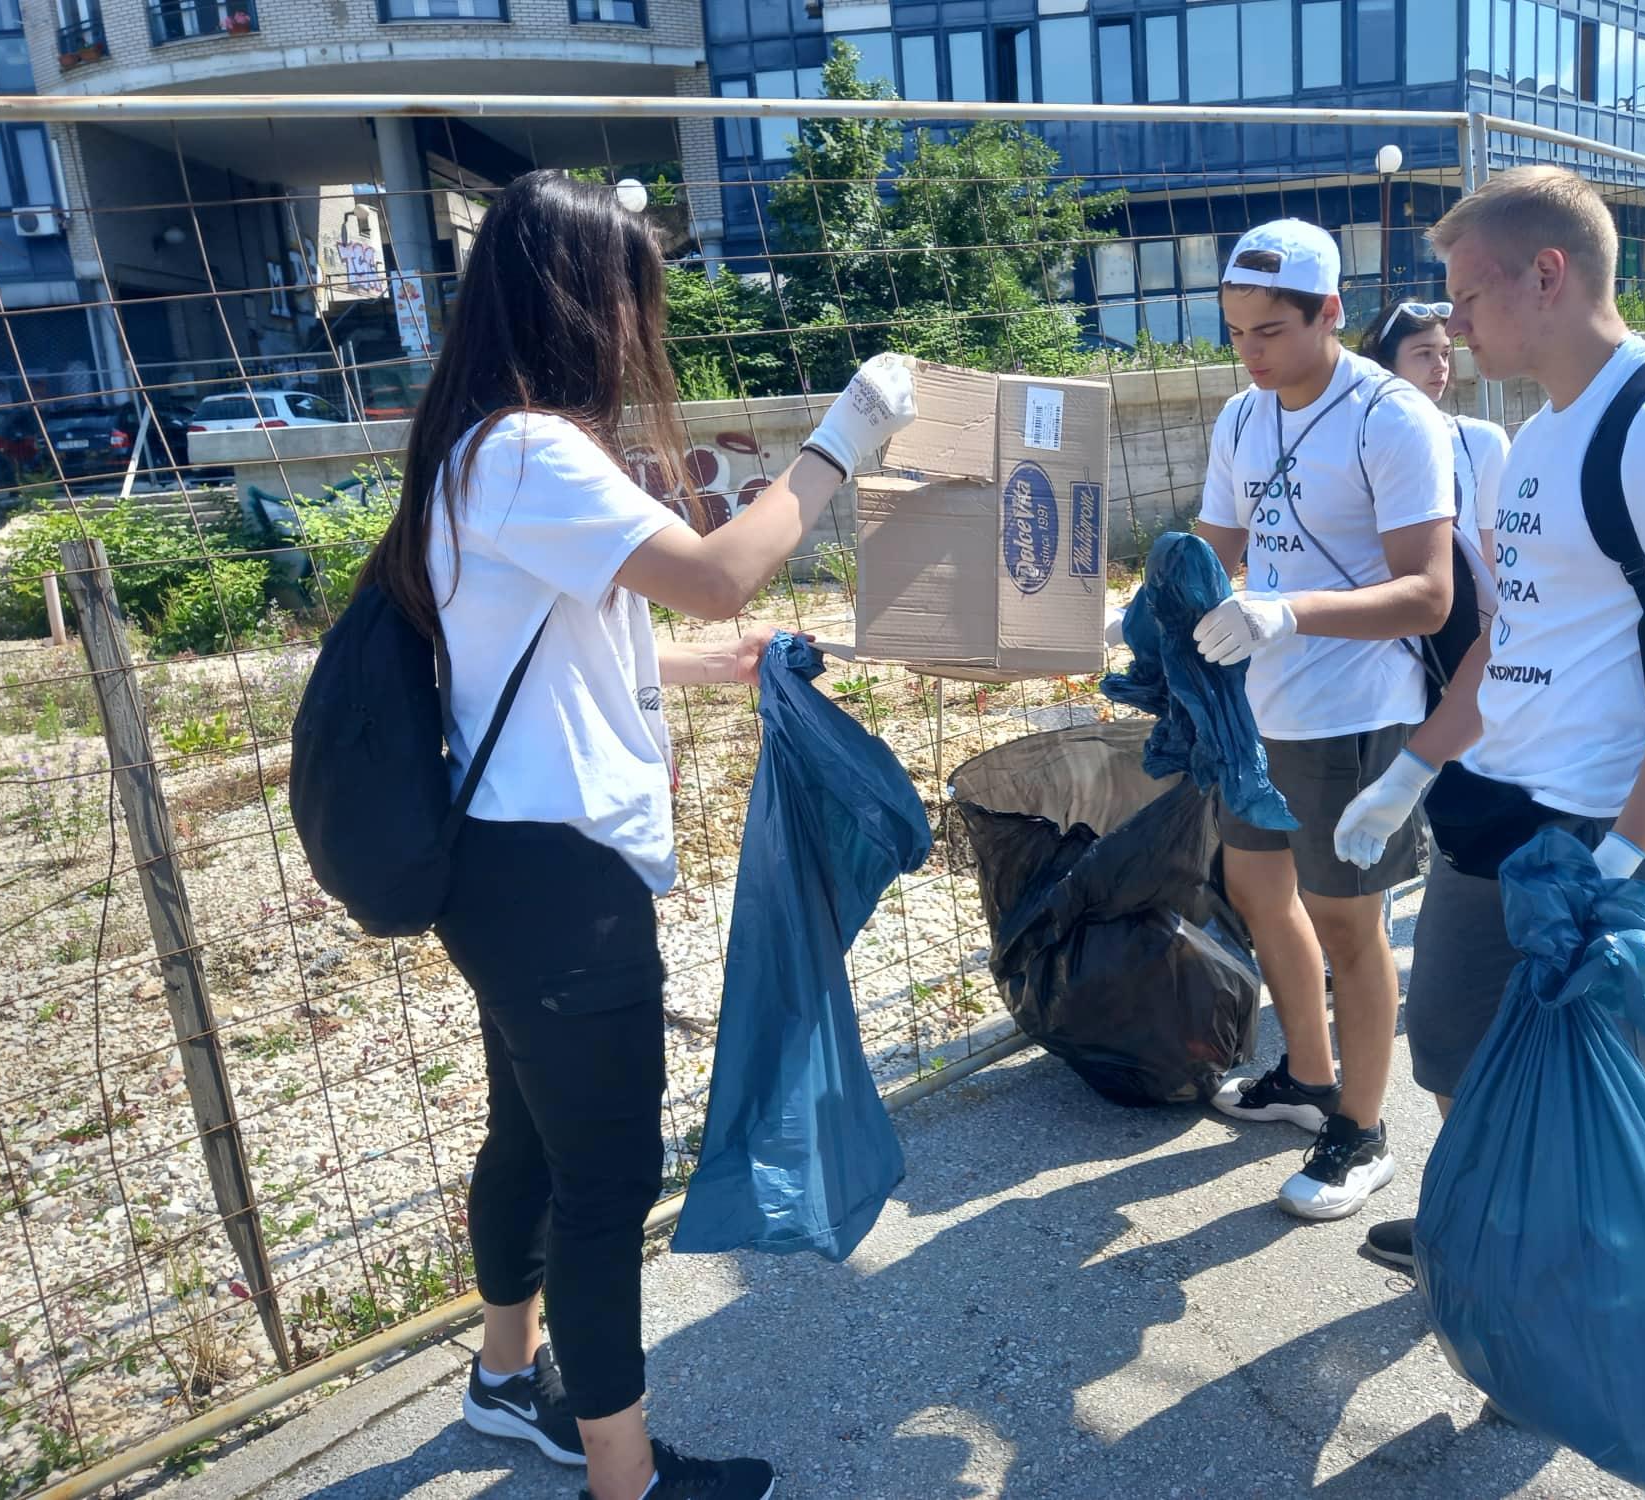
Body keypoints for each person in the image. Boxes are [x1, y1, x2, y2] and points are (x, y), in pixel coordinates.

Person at [358, 170, 918, 1500]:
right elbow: (724, 561)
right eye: (635, 295)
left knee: (532, 1139)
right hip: (561, 889)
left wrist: (708, 669)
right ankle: (628, 1480)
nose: (642, 325)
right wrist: (840, 442)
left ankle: (507, 1378)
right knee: (605, 1186)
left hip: (507, 865)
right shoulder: (530, 452)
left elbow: (533, 648)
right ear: (586, 302)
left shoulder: (479, 448)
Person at [1331, 166, 1645, 1272]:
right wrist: (1411, 771)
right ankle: (1489, 1236)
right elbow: (1511, 637)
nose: (1450, 322)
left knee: (1602, 1081)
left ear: (1548, 272)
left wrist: (1623, 859)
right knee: (1443, 1041)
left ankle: (1616, 1312)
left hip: (1606, 821)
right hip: (1496, 805)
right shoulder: (1532, 438)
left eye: (1466, 297)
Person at [1193, 219, 1456, 1222]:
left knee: (1351, 926)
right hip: (1253, 707)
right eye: (1234, 331)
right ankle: (1304, 1079)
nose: (1248, 352)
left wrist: (1288, 608)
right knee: (1257, 890)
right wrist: (1155, 602)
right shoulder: (1241, 417)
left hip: (1353, 711)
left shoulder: (1391, 419)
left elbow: (1426, 595)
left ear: (1329, 313)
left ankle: (1362, 1128)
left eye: (1268, 331)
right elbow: (1215, 544)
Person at [1356, 298, 1510, 604]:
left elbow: (1497, 560)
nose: (1440, 366)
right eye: (1423, 354)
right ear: (1385, 364)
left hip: (1463, 627)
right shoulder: (1355, 445)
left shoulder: (1483, 442)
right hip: (1379, 623)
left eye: (1444, 353)